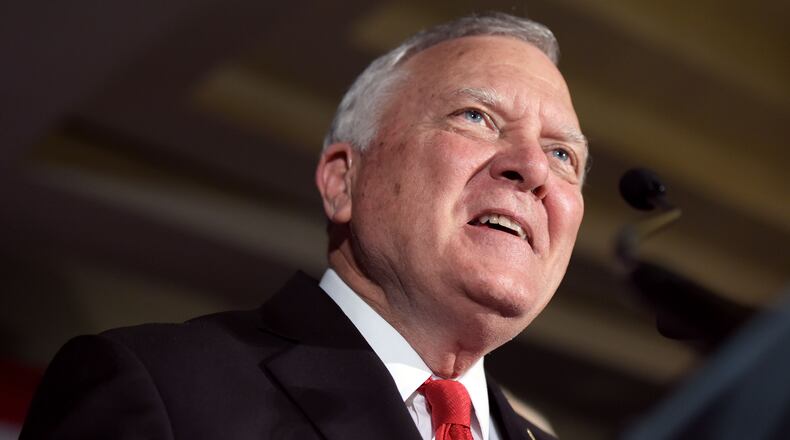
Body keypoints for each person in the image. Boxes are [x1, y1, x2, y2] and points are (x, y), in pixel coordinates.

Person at [21, 12, 587, 440]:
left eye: (563, 155)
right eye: (476, 117)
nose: (534, 167)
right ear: (343, 181)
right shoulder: (162, 387)